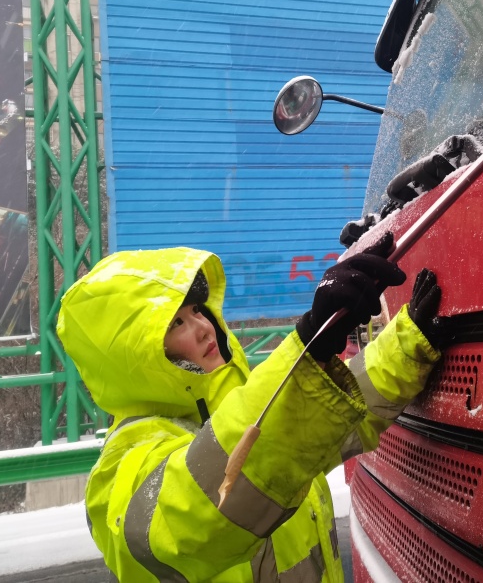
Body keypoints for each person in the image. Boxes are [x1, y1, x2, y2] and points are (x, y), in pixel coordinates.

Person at [56, 232, 443, 582]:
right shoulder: (122, 467)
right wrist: (311, 347)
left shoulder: (240, 406)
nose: (204, 326)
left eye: (196, 310)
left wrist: (407, 344)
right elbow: (197, 511)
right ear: (133, 360)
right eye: (175, 323)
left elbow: (332, 424)